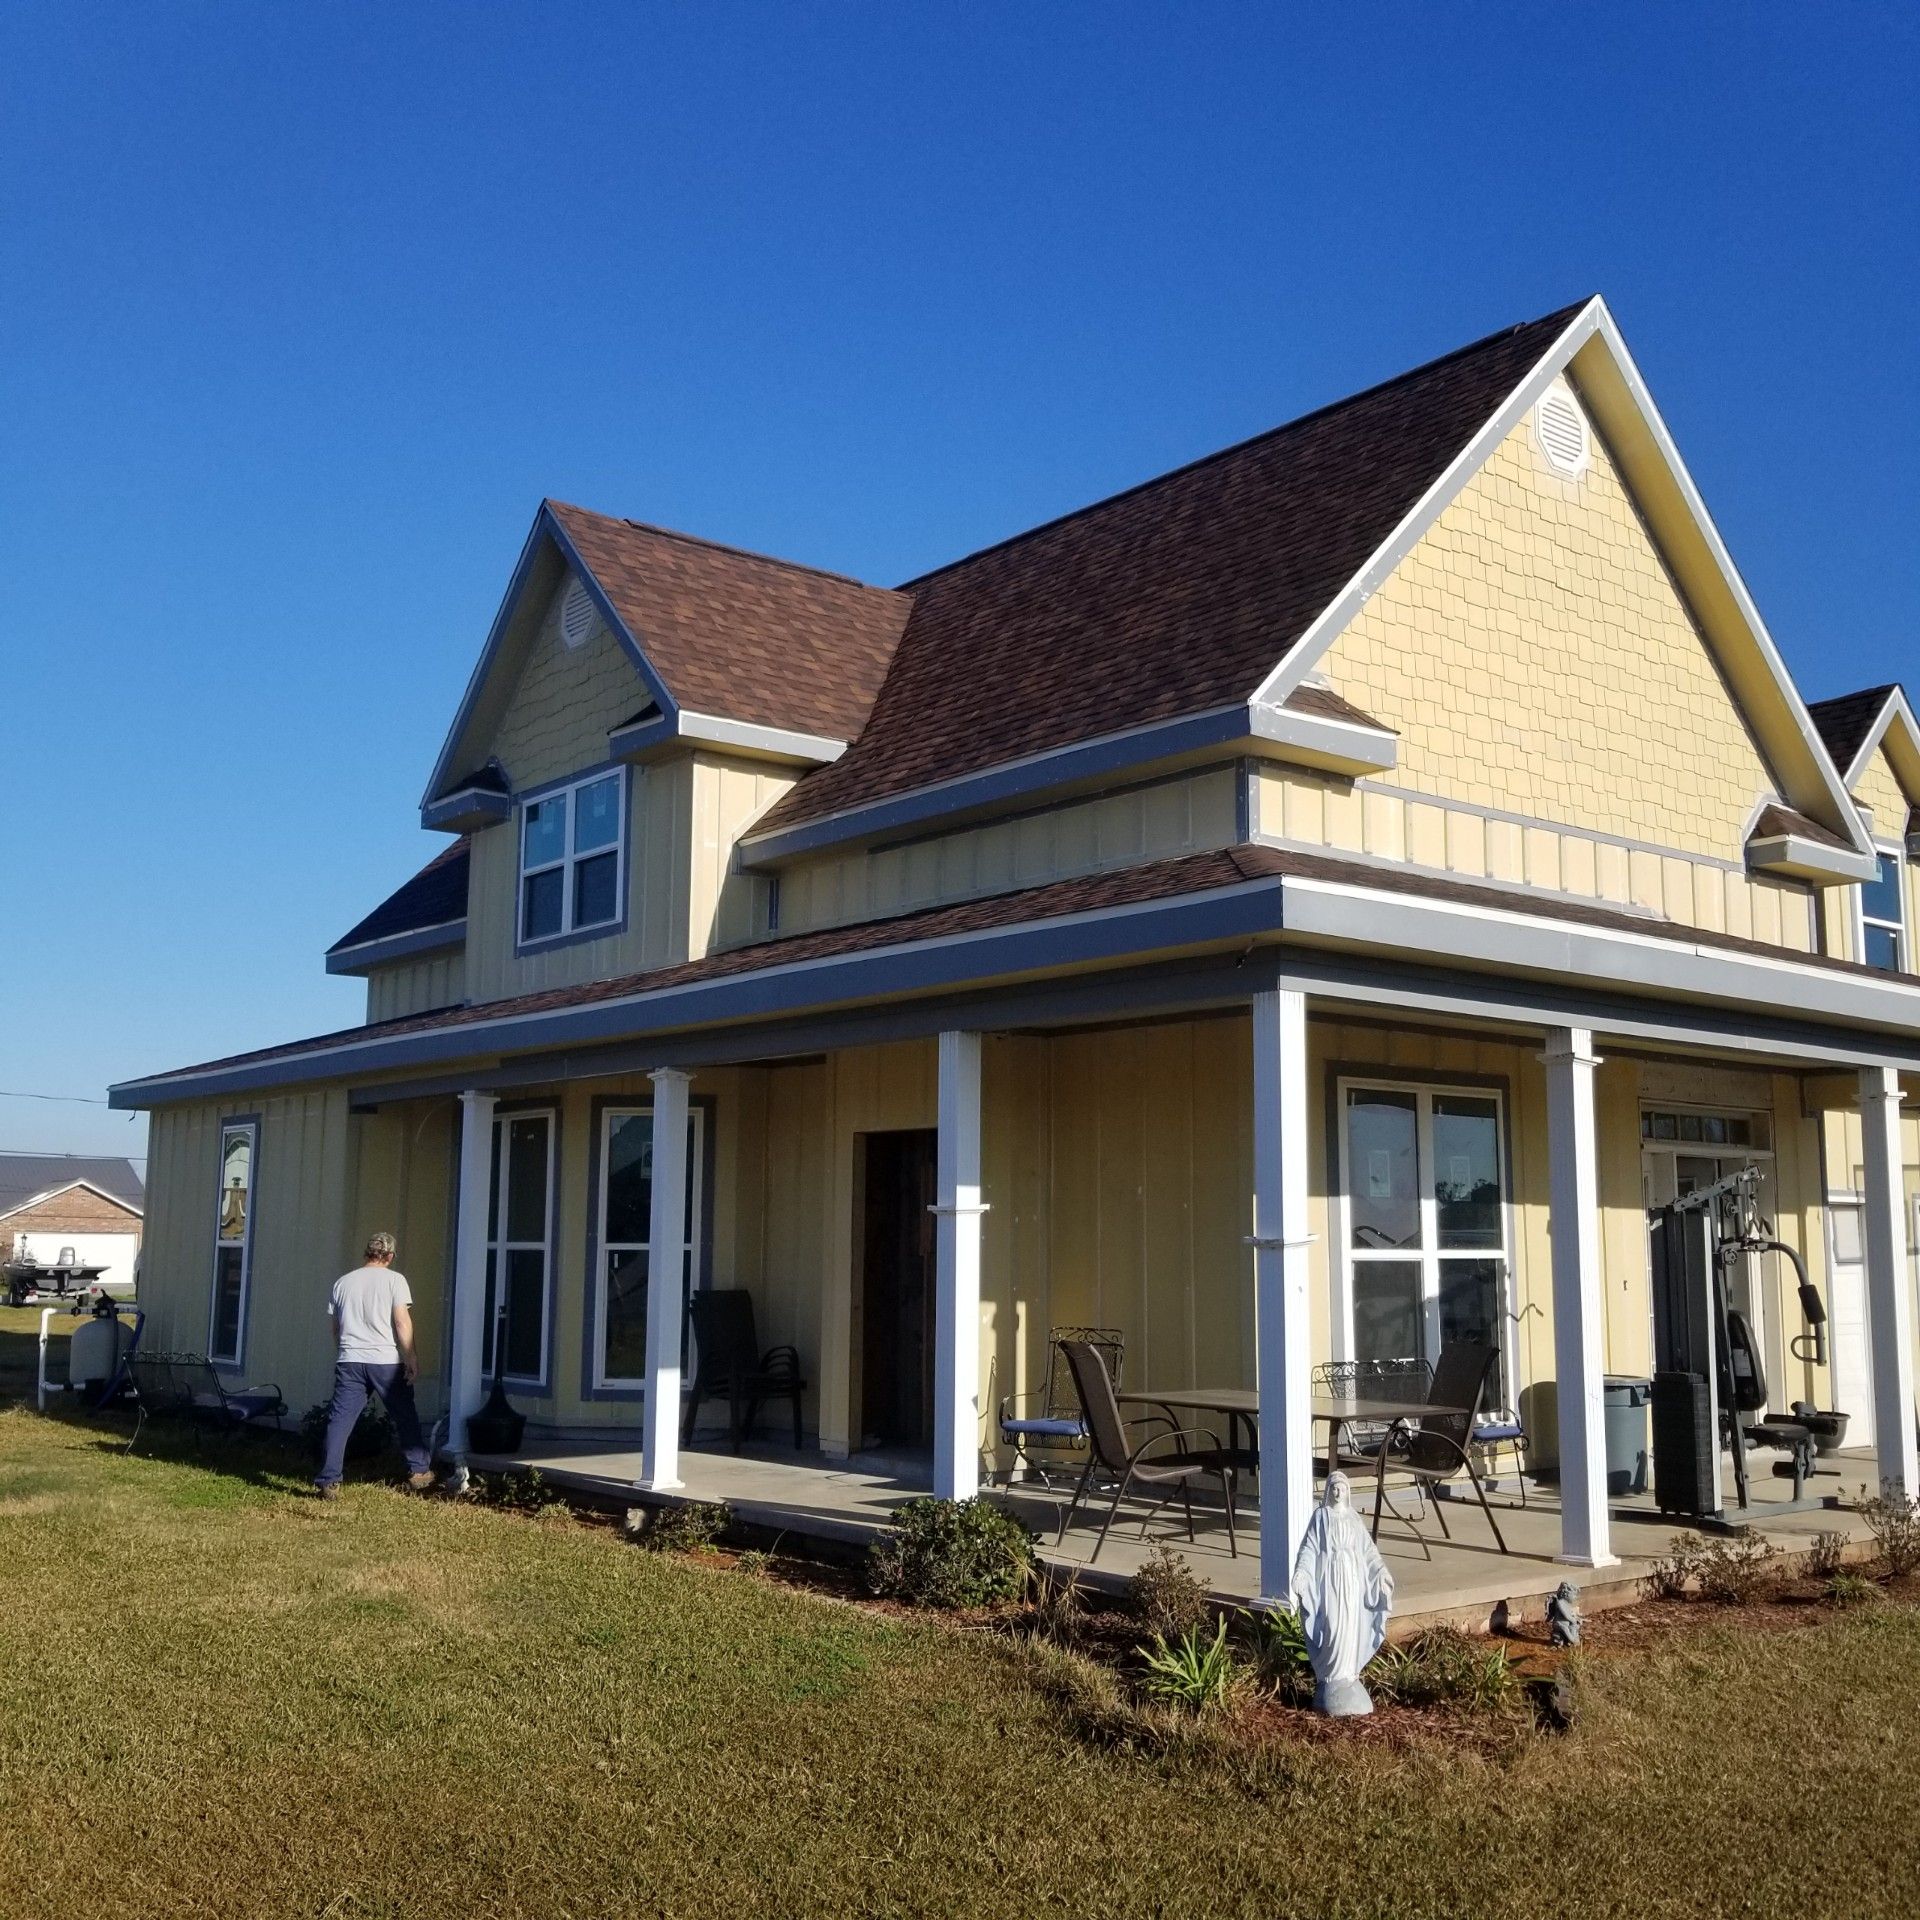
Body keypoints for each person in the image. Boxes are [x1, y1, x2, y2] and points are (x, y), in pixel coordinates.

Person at [315, 1231, 434, 1498]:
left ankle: (328, 1478)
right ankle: (419, 1471)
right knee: (404, 1414)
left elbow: (336, 1328)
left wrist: (345, 1351)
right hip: (384, 1362)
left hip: (350, 1360)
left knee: (340, 1420)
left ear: (367, 1253)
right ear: (390, 1256)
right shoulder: (395, 1281)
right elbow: (402, 1321)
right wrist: (411, 1357)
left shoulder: (343, 1283)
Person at [1291, 1470, 1395, 1716]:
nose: (1338, 1492)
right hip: (1329, 1581)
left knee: (1350, 1628)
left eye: (1342, 1488)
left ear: (1348, 1492)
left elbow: (1368, 1551)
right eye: (1334, 1488)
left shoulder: (1353, 1518)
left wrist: (1381, 1573)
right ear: (1329, 1491)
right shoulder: (1321, 1517)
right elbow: (1309, 1548)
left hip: (1351, 1580)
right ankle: (1330, 1677)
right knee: (1333, 1626)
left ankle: (1347, 1675)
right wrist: (1303, 1573)